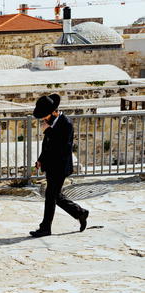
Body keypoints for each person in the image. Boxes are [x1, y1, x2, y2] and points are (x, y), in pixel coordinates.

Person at [30, 94, 88, 237]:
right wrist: (40, 159)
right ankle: (80, 212)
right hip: (50, 165)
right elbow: (47, 145)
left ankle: (45, 228)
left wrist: (48, 131)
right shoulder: (51, 122)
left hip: (60, 167)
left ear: (54, 111)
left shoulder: (66, 123)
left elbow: (64, 148)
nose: (44, 118)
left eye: (45, 115)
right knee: (55, 196)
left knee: (51, 196)